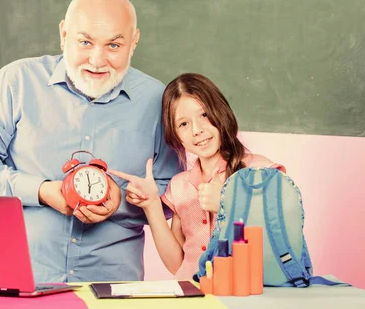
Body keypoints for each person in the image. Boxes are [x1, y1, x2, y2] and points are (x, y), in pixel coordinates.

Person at [0, 0, 179, 283]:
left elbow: (172, 194)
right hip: (19, 279)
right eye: (85, 42)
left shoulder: (158, 101)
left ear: (134, 41)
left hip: (113, 285)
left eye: (113, 45)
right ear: (64, 34)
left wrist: (121, 200)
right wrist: (41, 191)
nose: (97, 60)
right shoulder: (17, 82)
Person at [110, 73, 285, 280]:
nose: (197, 130)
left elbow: (280, 239)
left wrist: (228, 204)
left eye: (204, 115)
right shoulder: (180, 186)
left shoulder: (259, 170)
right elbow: (177, 264)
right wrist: (151, 206)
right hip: (195, 296)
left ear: (220, 112)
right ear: (175, 134)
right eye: (183, 124)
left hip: (245, 296)